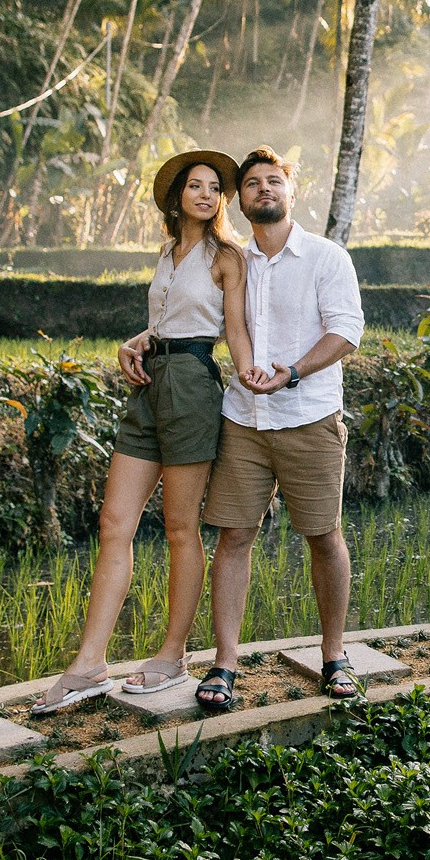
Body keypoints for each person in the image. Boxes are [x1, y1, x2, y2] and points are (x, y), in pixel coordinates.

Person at [30, 151, 254, 715]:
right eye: (196, 186)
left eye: (214, 189)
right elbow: (167, 319)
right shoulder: (167, 252)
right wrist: (137, 340)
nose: (206, 194)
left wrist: (257, 381)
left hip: (193, 385)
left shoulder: (226, 256)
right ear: (177, 196)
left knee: (180, 528)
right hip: (149, 382)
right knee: (114, 524)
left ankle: (172, 655)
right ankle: (88, 665)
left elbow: (230, 330)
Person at [193, 146, 365, 713]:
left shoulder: (325, 257)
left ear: (291, 193)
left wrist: (291, 372)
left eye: (274, 181)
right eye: (251, 184)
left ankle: (334, 655)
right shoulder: (233, 260)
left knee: (323, 535)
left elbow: (344, 333)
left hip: (309, 417)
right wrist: (143, 339)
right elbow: (193, 315)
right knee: (234, 536)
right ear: (239, 201)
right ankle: (224, 664)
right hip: (243, 419)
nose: (263, 189)